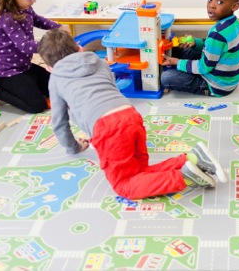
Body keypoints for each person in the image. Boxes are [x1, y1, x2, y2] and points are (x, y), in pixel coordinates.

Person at [37, 29, 228, 199]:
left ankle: (184, 177)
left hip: (107, 128)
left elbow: (60, 122)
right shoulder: (100, 62)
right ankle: (191, 160)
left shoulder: (55, 78)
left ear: (49, 68)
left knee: (124, 185)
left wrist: (73, 147)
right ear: (79, 49)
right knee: (139, 172)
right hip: (130, 115)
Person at [161, 0, 239, 97]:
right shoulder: (235, 22)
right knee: (177, 49)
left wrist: (176, 62)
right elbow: (216, 47)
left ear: (234, 6)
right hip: (228, 77)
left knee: (166, 78)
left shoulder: (218, 33)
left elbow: (203, 67)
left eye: (219, 2)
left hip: (218, 85)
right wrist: (196, 42)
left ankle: (205, 87)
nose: (211, 5)